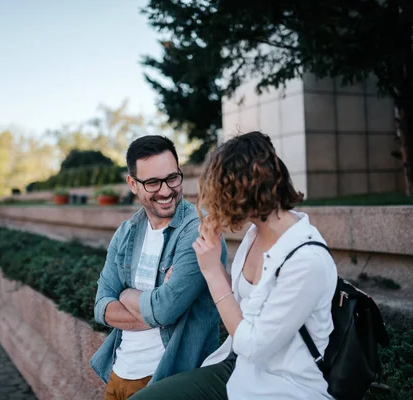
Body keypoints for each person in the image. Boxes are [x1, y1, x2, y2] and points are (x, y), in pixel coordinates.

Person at [131, 131, 337, 400]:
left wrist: (212, 271)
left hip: (284, 385)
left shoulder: (307, 260)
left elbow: (253, 345)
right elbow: (242, 307)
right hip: (238, 367)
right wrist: (207, 265)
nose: (214, 205)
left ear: (241, 191)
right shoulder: (256, 235)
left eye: (219, 194)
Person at [90, 135, 228, 400]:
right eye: (152, 182)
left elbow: (166, 309)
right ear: (133, 183)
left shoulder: (199, 230)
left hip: (167, 379)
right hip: (118, 375)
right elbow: (100, 306)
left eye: (172, 178)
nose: (166, 191)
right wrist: (155, 305)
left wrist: (126, 294)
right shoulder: (127, 232)